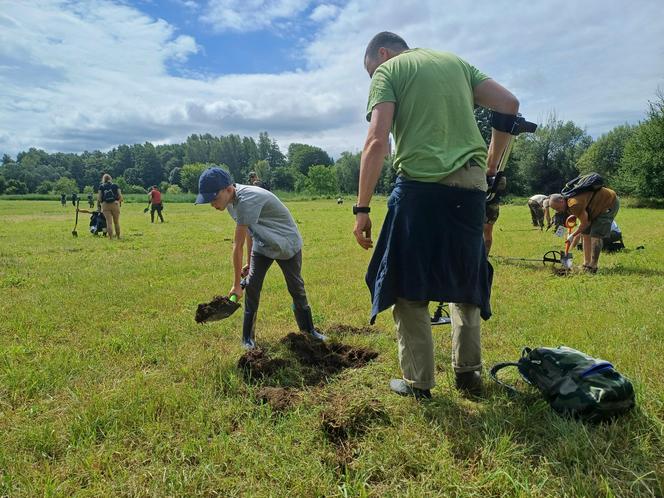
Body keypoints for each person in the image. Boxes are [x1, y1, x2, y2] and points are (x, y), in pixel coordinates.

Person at [354, 32, 519, 399]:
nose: (372, 78)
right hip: (471, 188)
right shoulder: (456, 63)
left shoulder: (389, 71)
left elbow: (377, 140)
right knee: (467, 279)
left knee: (409, 284)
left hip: (421, 189)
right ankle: (468, 375)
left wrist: (362, 207)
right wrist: (492, 162)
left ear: (382, 53)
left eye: (370, 71)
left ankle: (418, 383)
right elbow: (509, 102)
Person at [195, 166, 326, 349]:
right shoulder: (231, 202)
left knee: (296, 288)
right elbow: (249, 230)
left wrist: (235, 285)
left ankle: (309, 331)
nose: (212, 204)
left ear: (228, 189)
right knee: (253, 287)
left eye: (214, 198)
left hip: (285, 244)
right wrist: (249, 262)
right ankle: (247, 339)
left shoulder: (247, 198)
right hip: (263, 244)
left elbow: (237, 245)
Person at [547, 190, 619, 273]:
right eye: (555, 209)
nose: (558, 210)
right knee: (585, 233)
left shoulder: (574, 204)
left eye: (558, 208)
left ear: (561, 200)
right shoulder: (567, 204)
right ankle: (586, 263)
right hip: (594, 207)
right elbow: (580, 221)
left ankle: (593, 266)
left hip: (608, 202)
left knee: (596, 235)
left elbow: (585, 223)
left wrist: (573, 235)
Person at [484, 174, 507, 254]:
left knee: (482, 232)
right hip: (493, 206)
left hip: (485, 205)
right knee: (488, 232)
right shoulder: (499, 176)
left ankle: (481, 255)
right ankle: (485, 255)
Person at [97, 173, 123, 240]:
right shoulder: (115, 185)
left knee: (109, 222)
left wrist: (101, 204)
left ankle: (111, 238)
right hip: (115, 204)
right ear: (110, 178)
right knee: (116, 222)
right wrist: (118, 201)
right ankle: (118, 237)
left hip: (105, 205)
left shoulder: (101, 186)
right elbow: (121, 197)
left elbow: (99, 198)